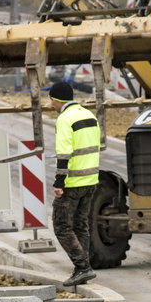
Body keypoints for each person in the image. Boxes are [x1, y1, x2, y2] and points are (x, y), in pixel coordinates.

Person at [48, 81, 100, 287]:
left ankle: (83, 267)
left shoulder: (65, 119)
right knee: (81, 225)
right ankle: (82, 269)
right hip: (91, 179)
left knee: (61, 226)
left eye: (51, 99)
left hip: (72, 182)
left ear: (56, 100)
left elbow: (64, 152)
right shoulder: (89, 115)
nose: (50, 103)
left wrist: (59, 182)